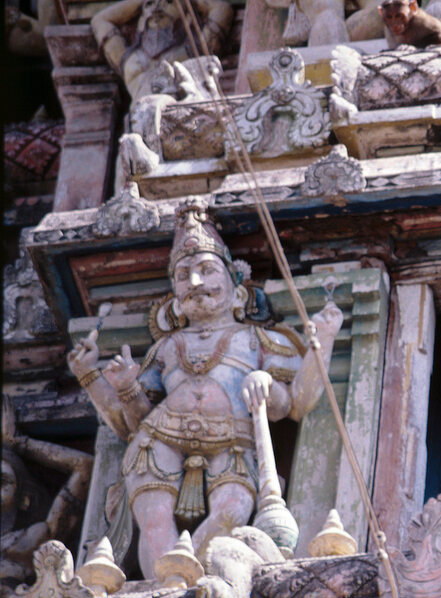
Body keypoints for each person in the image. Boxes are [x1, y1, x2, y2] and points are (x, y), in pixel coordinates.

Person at [67, 198, 343, 578]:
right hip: (159, 437)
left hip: (233, 439)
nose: (195, 283)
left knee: (231, 511)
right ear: (176, 302)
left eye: (207, 270)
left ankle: (183, 577)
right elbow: (130, 423)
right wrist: (105, 380)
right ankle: (163, 587)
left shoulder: (256, 339)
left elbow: (293, 404)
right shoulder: (166, 347)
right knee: (153, 515)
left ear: (238, 289)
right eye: (183, 276)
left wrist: (319, 344)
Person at [1, 396, 94, 598]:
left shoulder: (31, 540)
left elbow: (84, 466)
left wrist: (19, 444)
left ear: (24, 498)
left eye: (3, 482)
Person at [91, 0, 233, 101]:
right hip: (136, 128)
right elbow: (99, 20)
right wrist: (140, 3)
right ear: (140, 20)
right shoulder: (129, 58)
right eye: (151, 4)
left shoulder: (193, 52)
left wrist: (190, 3)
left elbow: (222, 9)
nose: (157, 8)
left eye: (169, 2)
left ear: (187, 16)